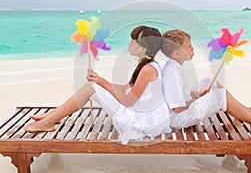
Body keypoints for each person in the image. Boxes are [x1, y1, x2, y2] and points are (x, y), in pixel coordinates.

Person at [24, 26, 171, 145]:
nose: (130, 42)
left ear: (144, 48)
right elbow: (126, 88)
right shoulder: (146, 65)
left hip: (141, 121)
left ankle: (48, 122)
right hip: (142, 114)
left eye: (134, 40)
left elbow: (128, 100)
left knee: (91, 87)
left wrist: (102, 82)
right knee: (93, 84)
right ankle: (53, 115)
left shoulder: (147, 69)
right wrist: (99, 79)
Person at [161, 29, 251, 132]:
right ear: (177, 53)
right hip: (180, 118)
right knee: (219, 94)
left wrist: (197, 94)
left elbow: (182, 91)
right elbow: (176, 107)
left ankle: (245, 110)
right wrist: (195, 99)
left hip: (183, 109)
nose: (193, 49)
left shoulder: (176, 66)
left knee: (209, 81)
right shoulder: (172, 74)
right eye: (189, 47)